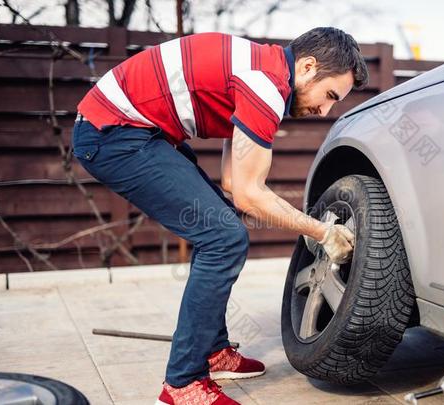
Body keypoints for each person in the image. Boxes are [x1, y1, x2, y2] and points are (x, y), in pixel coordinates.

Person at [72, 26, 368, 405]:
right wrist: (321, 231)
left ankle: (213, 351)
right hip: (113, 132)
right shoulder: (264, 86)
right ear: (308, 67)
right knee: (224, 236)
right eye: (329, 96)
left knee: (221, 226)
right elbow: (249, 193)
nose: (324, 111)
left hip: (134, 130)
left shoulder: (259, 71)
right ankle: (183, 382)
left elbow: (232, 181)